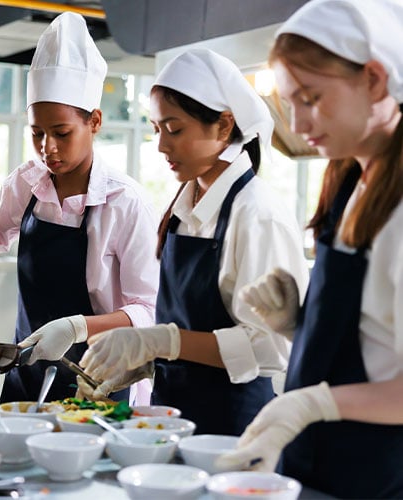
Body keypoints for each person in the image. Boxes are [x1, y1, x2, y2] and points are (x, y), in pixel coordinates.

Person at [215, 0, 403, 498]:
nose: (296, 124)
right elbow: (376, 344)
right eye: (289, 101)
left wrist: (310, 404)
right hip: (315, 463)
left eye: (311, 98)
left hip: (375, 474)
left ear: (376, 81)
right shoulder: (350, 181)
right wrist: (301, 327)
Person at [77, 48, 310, 436]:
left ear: (223, 126)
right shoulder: (184, 207)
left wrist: (158, 341)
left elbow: (269, 348)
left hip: (232, 428)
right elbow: (186, 330)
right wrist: (144, 361)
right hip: (171, 416)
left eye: (175, 128)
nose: (162, 146)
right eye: (156, 129)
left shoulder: (257, 214)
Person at [0, 12, 159, 403]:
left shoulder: (126, 203)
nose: (48, 147)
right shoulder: (28, 182)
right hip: (28, 371)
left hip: (99, 380)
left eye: (61, 133)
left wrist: (77, 327)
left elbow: (148, 310)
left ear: (95, 121)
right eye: (37, 133)